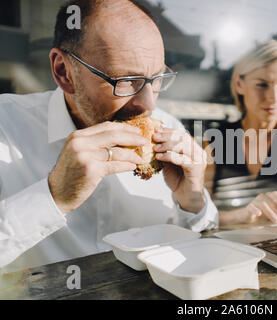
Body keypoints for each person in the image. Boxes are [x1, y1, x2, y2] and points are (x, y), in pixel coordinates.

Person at [0, 0, 218, 273]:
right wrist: (53, 197)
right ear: (63, 71)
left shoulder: (169, 129)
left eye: (157, 78)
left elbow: (202, 241)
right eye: (125, 80)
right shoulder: (5, 126)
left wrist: (192, 202)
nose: (148, 104)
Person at [206, 40, 277, 227]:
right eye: (262, 85)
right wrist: (243, 215)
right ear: (239, 84)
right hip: (228, 250)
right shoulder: (216, 141)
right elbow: (199, 215)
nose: (273, 97)